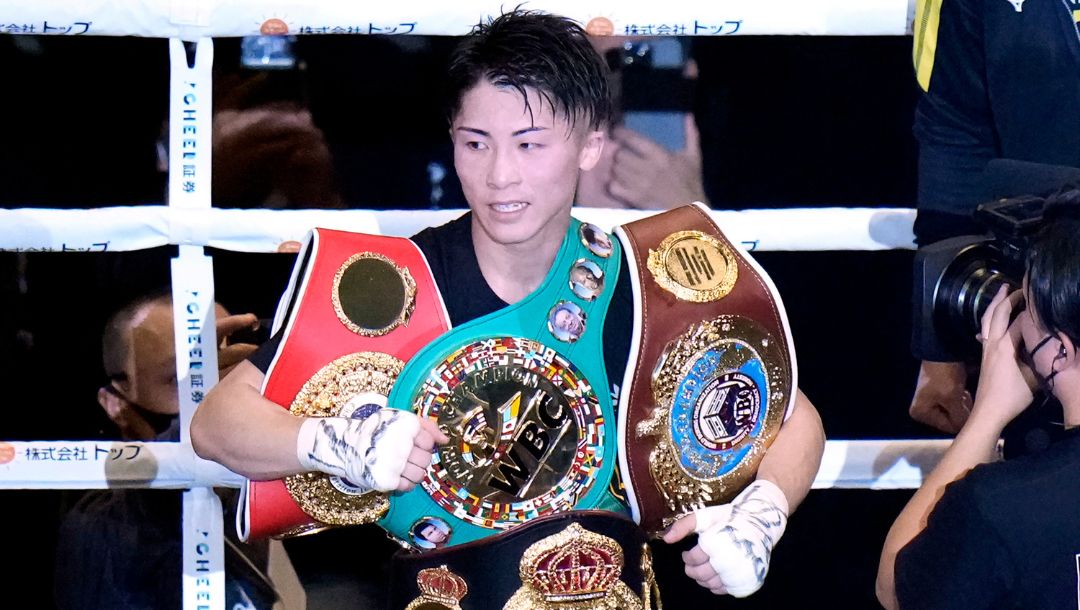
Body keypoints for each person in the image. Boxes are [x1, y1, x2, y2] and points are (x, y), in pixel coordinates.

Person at [192, 10, 824, 604]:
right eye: (476, 144)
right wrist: (330, 442)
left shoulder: (635, 281)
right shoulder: (404, 285)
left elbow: (794, 419)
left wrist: (760, 516)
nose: (500, 176)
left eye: (529, 144)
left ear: (589, 145)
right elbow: (217, 424)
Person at [877, 191, 1080, 609]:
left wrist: (988, 413)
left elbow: (897, 587)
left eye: (1025, 308)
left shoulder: (1003, 507)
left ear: (1060, 350)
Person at [907, 0, 1080, 434]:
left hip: (1047, 309)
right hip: (1043, 312)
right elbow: (955, 130)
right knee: (1041, 468)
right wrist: (941, 338)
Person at [55, 292, 276, 610]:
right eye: (180, 378)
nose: (225, 389)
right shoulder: (98, 522)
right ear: (115, 403)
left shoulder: (254, 485)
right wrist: (206, 408)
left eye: (233, 366)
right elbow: (153, 496)